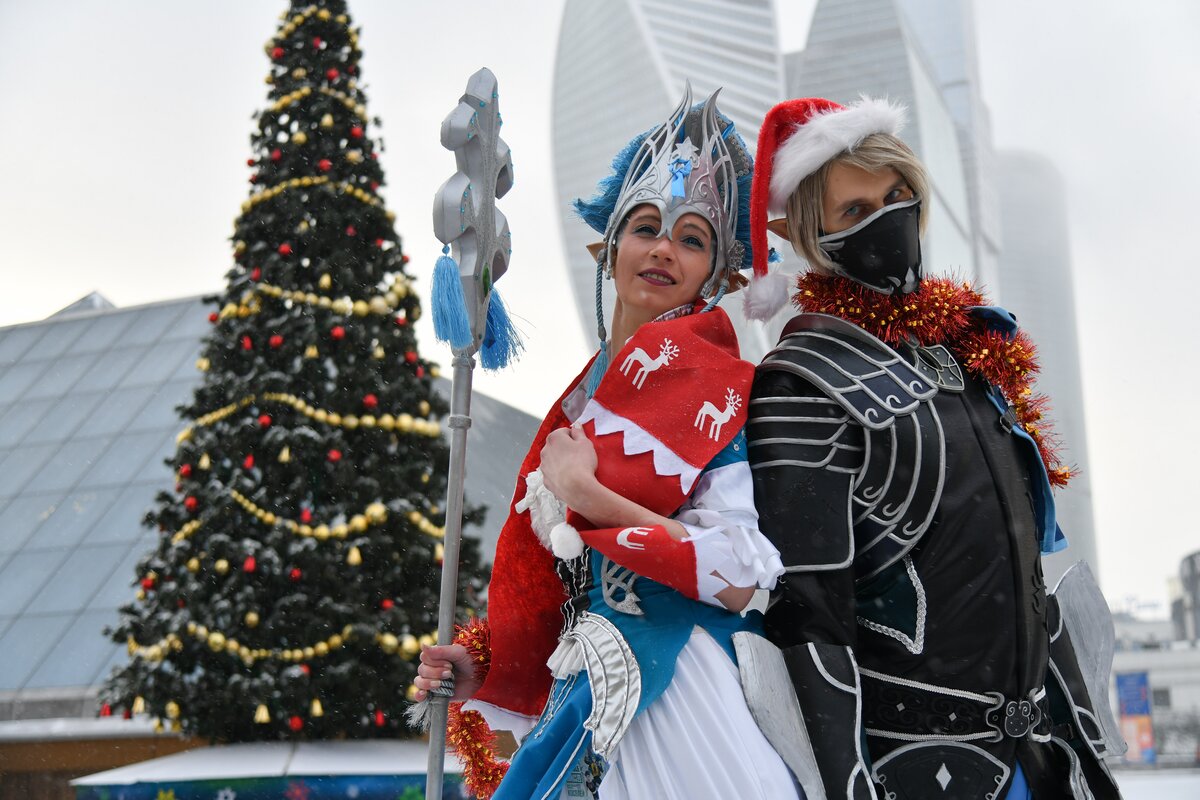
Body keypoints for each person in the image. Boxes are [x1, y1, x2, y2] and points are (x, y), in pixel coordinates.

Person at [412, 86, 801, 800]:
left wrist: (590, 496)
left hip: (677, 696)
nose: (662, 249)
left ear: (717, 274)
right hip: (579, 691)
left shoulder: (720, 388)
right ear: (609, 246)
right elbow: (554, 588)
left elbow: (739, 574)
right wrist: (484, 668)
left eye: (692, 238)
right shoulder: (586, 393)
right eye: (646, 227)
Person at [737, 97, 1124, 800]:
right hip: (911, 765)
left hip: (1044, 758)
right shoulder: (805, 380)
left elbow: (1024, 570)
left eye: (897, 195)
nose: (887, 218)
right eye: (854, 211)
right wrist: (847, 784)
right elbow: (808, 612)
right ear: (806, 232)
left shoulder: (966, 354)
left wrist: (1080, 737)